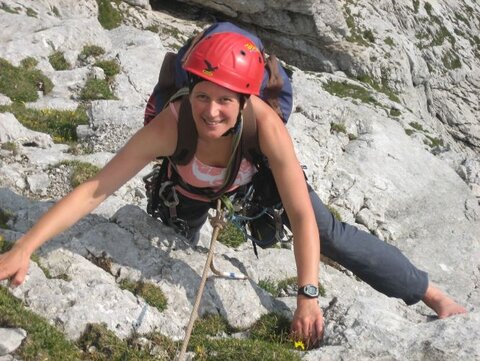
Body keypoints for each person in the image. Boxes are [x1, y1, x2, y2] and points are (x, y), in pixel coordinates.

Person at [0, 31, 466, 348]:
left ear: (246, 100)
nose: (212, 111)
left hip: (254, 187)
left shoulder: (265, 128)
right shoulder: (173, 124)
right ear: (190, 91)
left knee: (328, 232)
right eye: (203, 95)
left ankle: (432, 295)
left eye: (226, 100)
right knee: (177, 236)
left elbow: (300, 217)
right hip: (184, 187)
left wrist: (307, 295)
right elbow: (96, 188)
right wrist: (25, 246)